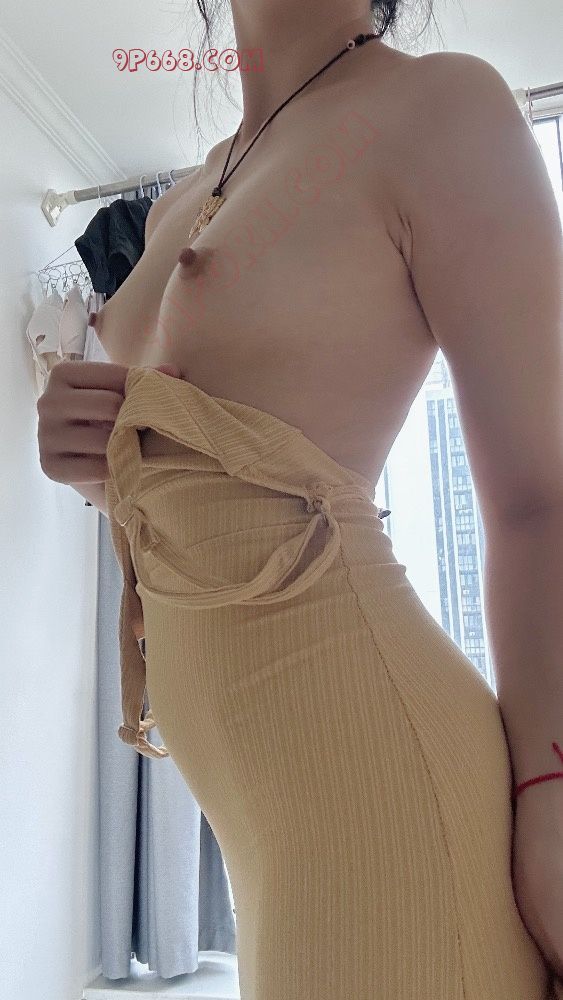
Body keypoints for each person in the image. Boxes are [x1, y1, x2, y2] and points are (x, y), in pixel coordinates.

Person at [37, 1, 563, 997]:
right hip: (252, 817)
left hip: (382, 787)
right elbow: (206, 494)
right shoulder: (175, 202)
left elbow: (539, 501)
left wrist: (550, 792)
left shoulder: (439, 107)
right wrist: (94, 470)